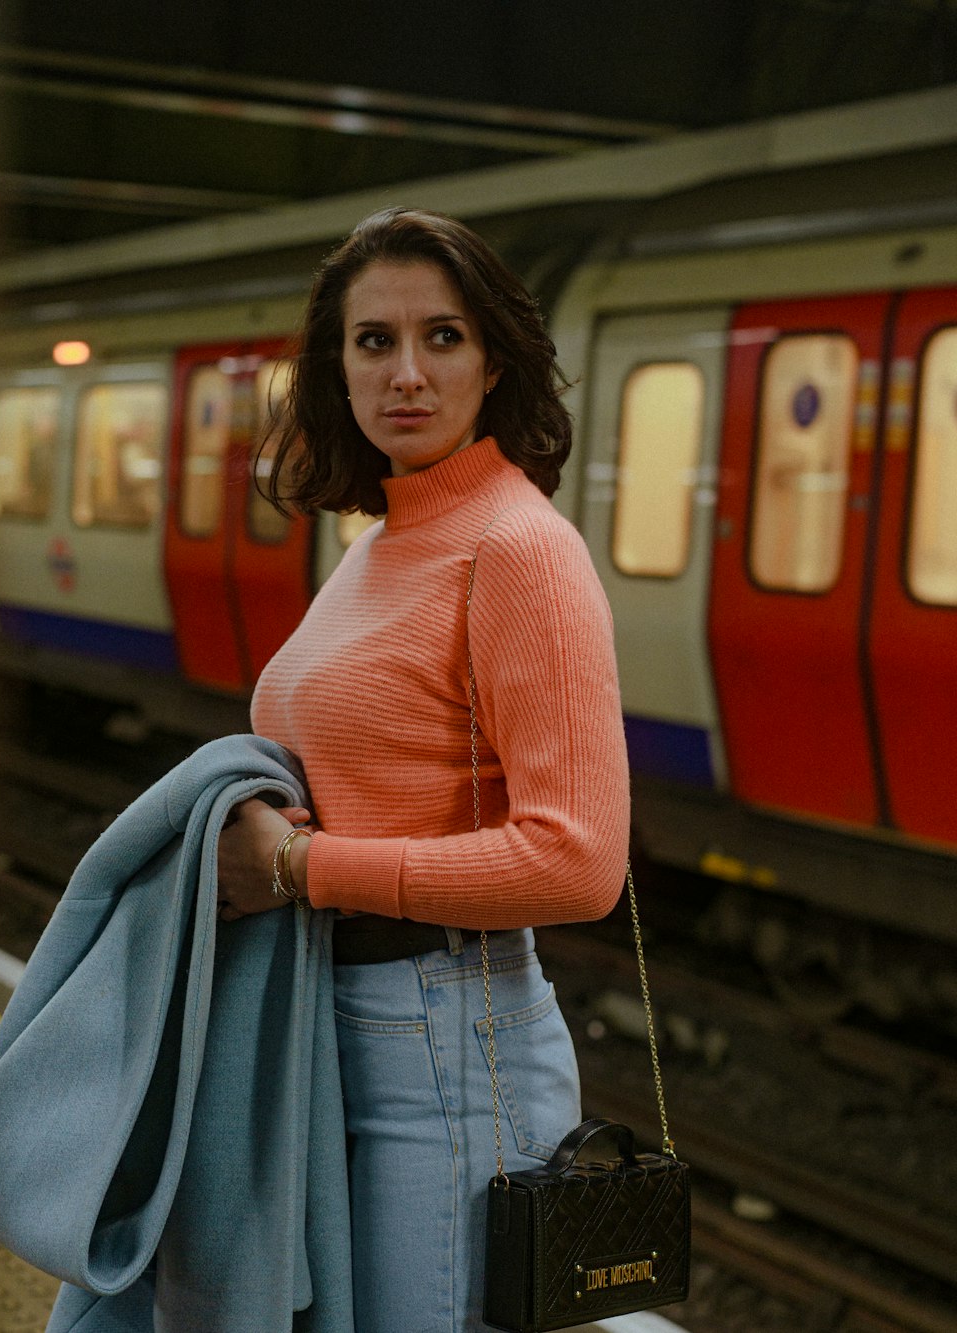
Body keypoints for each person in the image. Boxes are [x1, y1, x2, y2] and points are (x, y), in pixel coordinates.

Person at [216, 207, 629, 1332]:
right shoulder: (383, 543)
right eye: (372, 342)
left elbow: (578, 861)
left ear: (492, 359)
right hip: (335, 1018)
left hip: (446, 1041)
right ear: (334, 369)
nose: (406, 372)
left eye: (441, 337)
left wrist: (300, 864)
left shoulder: (517, 548)